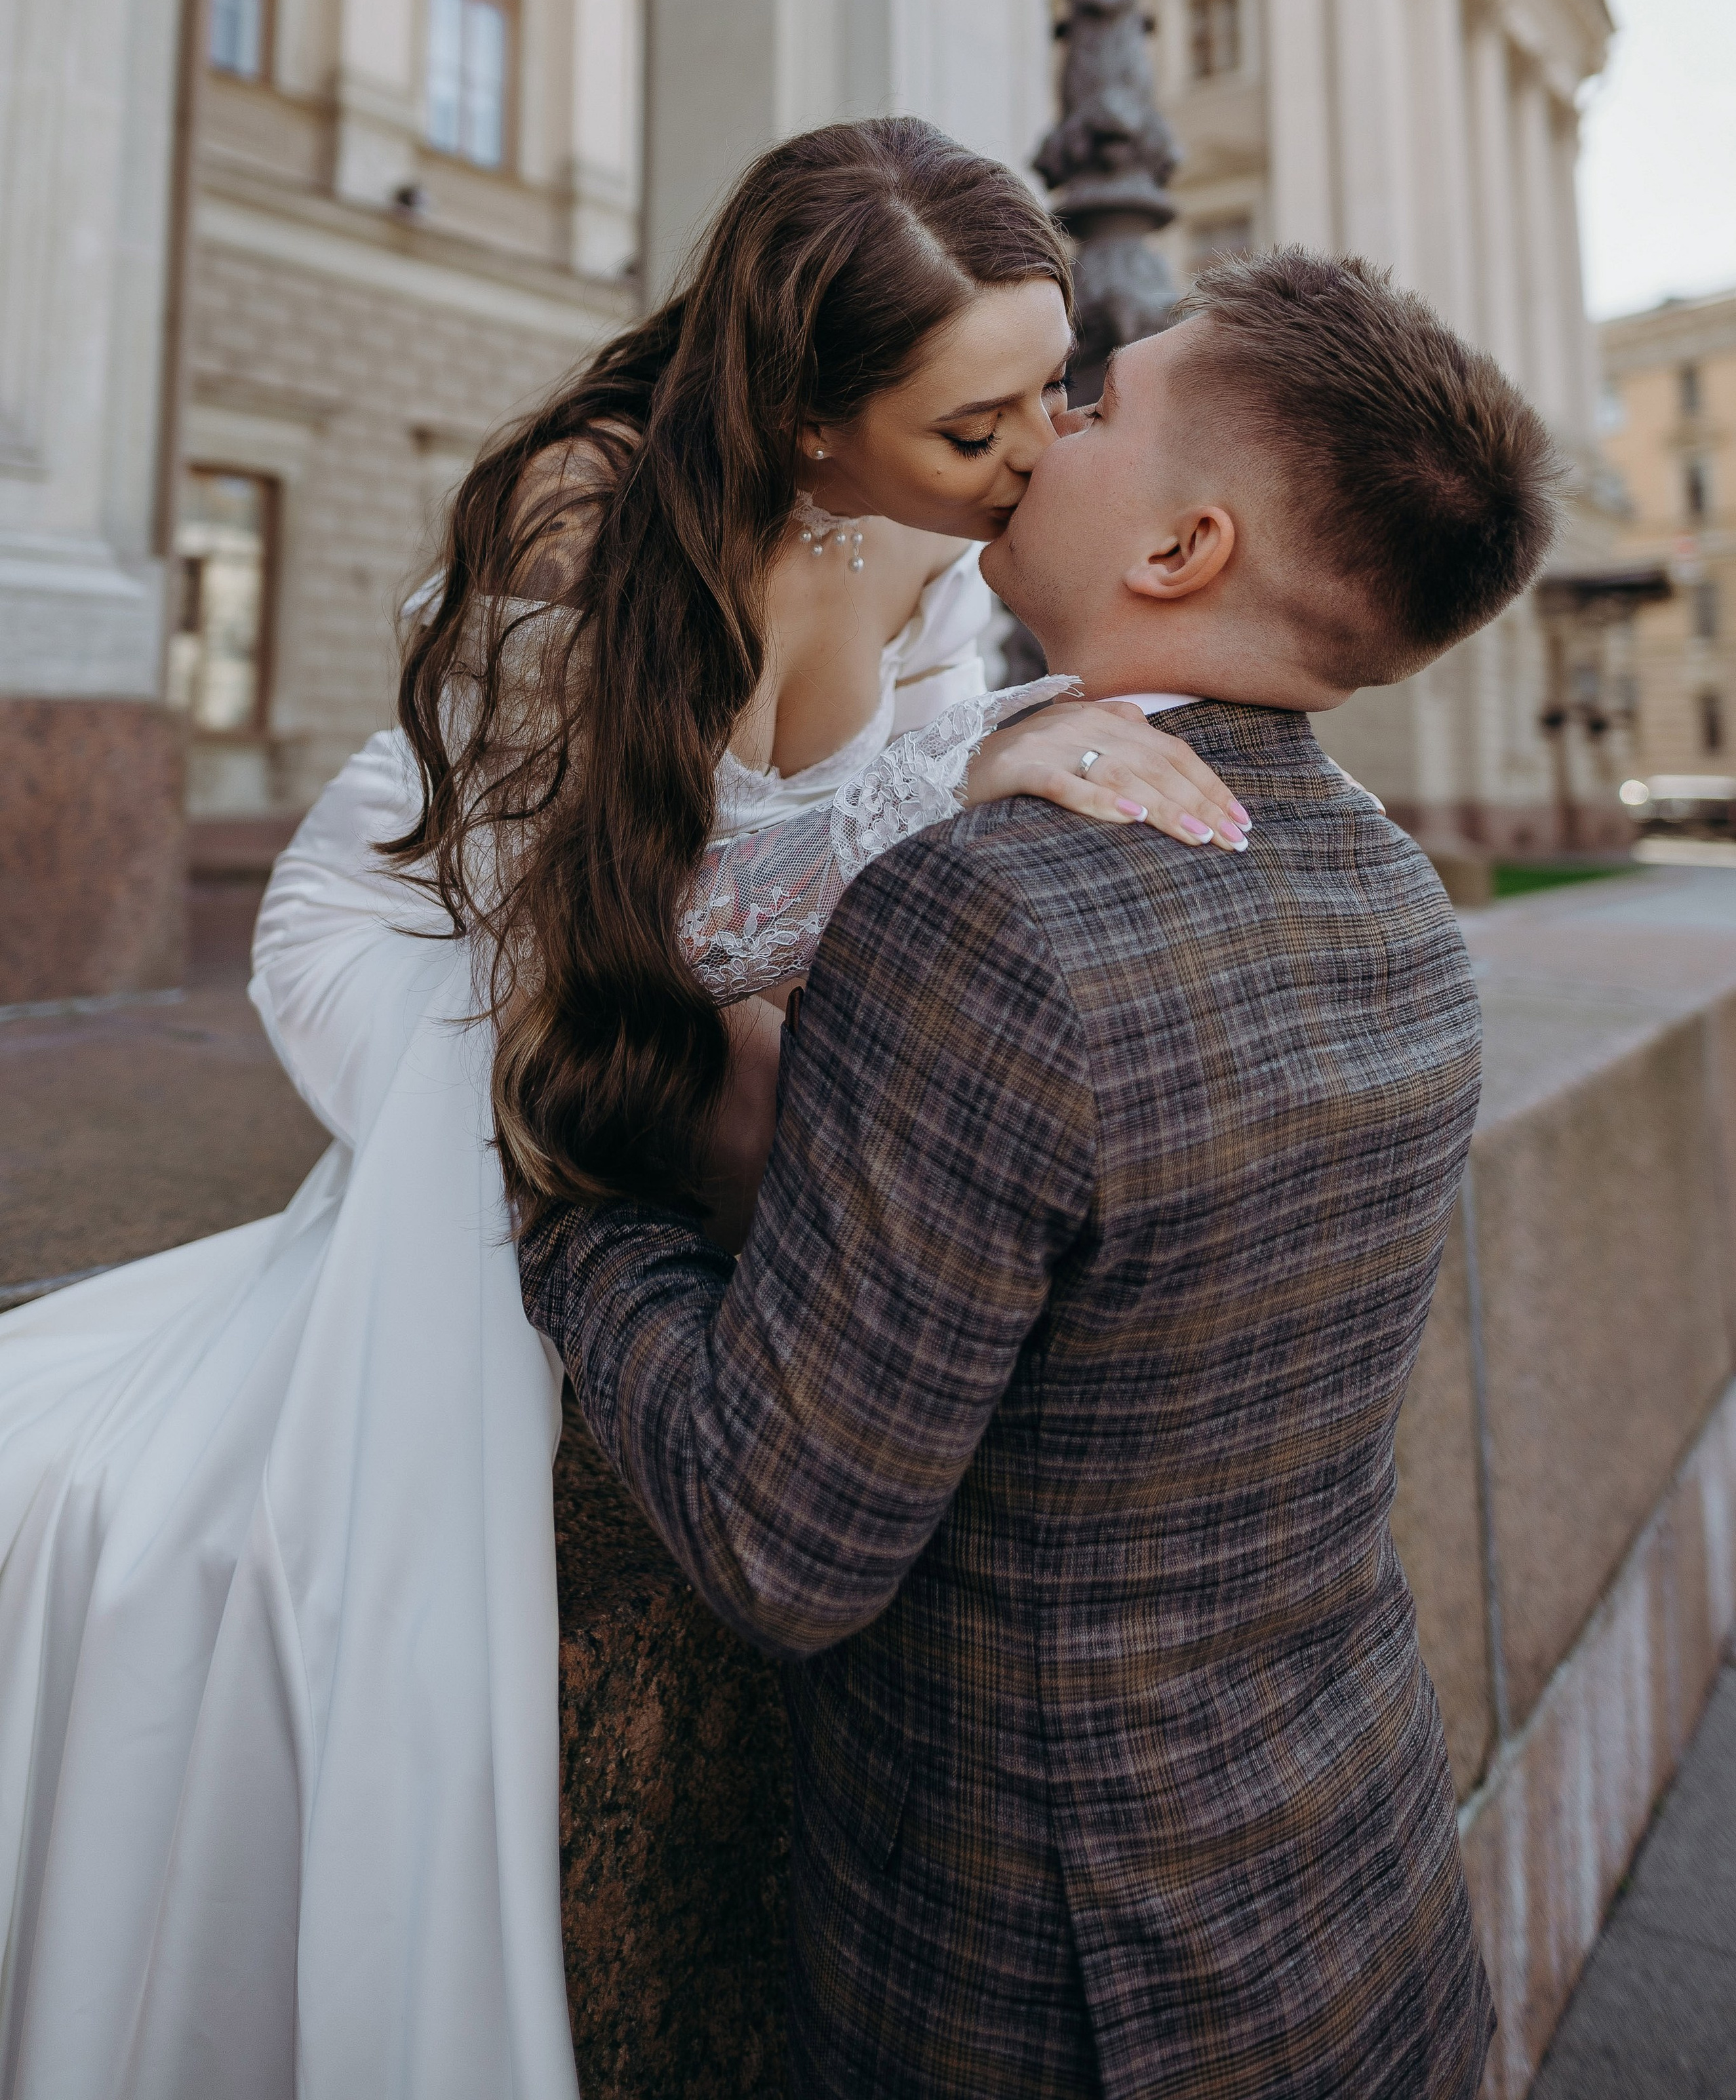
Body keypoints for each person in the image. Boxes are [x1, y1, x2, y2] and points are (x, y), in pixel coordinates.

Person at [0, 119, 1243, 2100]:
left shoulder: (935, 532)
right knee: (483, 1237)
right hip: (431, 932)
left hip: (666, 944)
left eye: (1054, 395)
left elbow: (843, 849)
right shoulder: (583, 529)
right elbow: (563, 942)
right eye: (973, 428)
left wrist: (1010, 761)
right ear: (805, 418)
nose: (1032, 464)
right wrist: (846, 929)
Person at [520, 247, 1564, 2100]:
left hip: (1053, 1977)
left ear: (1180, 552)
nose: (1046, 429)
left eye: (1095, 405)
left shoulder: (990, 919)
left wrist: (578, 1227)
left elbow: (779, 1537)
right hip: (1359, 1896)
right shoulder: (1397, 893)